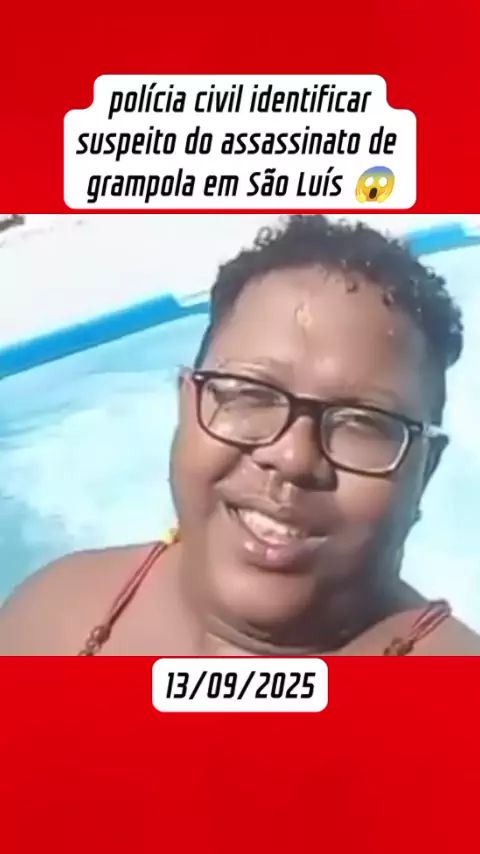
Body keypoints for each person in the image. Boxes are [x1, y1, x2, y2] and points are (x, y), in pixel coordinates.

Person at [1, 214, 479, 656]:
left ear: (426, 469)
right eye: (251, 394)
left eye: (360, 422)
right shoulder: (54, 617)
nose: (292, 457)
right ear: (186, 404)